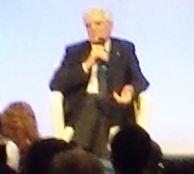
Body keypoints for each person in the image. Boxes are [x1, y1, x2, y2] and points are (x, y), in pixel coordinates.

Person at [51, 9, 148, 154]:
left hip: (115, 108)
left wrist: (130, 90)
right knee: (94, 102)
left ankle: (76, 152)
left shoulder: (125, 49)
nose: (92, 29)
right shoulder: (74, 51)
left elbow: (140, 80)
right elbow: (56, 83)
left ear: (110, 25)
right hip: (81, 111)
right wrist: (88, 63)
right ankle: (102, 159)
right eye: (88, 26)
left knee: (97, 103)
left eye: (97, 24)